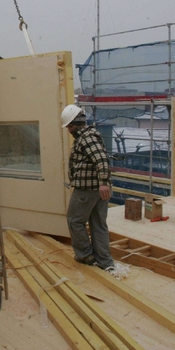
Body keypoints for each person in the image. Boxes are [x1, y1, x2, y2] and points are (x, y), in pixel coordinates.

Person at [60, 104, 115, 271]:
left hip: (87, 189)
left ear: (77, 123)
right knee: (98, 224)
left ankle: (86, 255)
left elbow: (101, 160)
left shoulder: (86, 137)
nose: (69, 130)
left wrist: (103, 182)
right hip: (97, 189)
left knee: (75, 220)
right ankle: (105, 262)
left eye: (70, 126)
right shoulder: (90, 135)